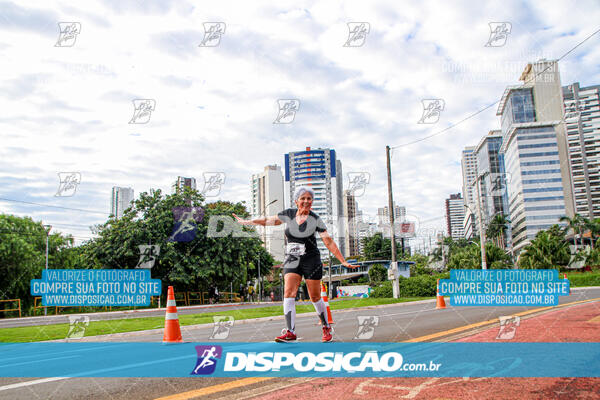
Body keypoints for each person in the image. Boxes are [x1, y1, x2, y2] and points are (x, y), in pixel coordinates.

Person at [233, 186, 356, 342]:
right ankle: (290, 331)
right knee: (288, 293)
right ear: (296, 201)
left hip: (311, 259)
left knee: (315, 296)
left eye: (309, 199)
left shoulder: (315, 219)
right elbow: (268, 221)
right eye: (302, 198)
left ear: (312, 202)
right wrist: (248, 222)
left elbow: (328, 241)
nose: (306, 201)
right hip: (292, 258)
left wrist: (343, 260)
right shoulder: (289, 214)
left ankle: (326, 326)